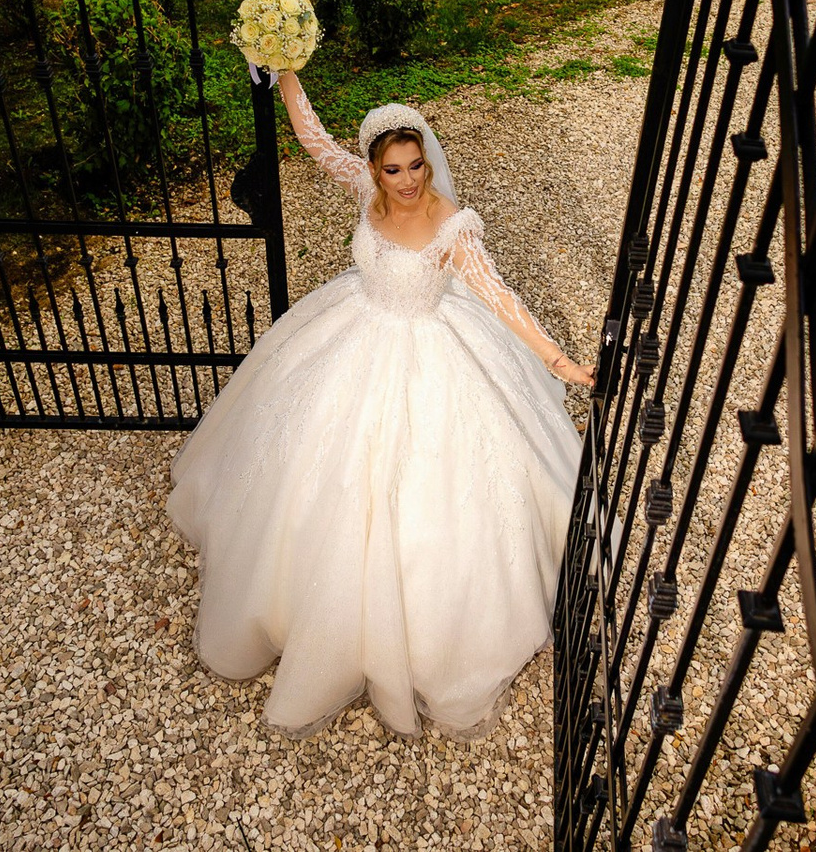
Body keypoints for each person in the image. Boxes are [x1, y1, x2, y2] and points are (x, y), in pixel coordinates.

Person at [166, 67, 594, 740]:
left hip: (429, 352)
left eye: (416, 166)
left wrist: (559, 362)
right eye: (394, 169)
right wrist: (286, 69)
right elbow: (314, 141)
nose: (408, 180)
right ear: (375, 170)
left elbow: (499, 297)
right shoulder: (364, 187)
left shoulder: (452, 226)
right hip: (355, 330)